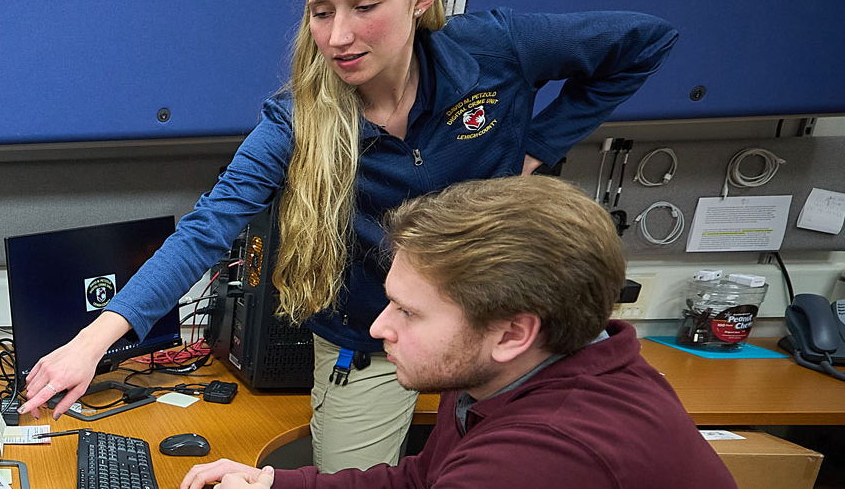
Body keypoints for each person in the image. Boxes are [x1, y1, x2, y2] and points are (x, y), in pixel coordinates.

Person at [19, 0, 678, 471]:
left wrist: (534, 150)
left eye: (365, 6)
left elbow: (645, 43)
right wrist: (89, 345)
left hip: (496, 327)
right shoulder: (297, 120)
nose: (339, 36)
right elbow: (205, 232)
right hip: (373, 338)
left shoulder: (496, 49)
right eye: (321, 11)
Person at [176, 176, 736, 489]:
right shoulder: (497, 375)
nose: (379, 327)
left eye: (408, 312)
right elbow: (423, 478)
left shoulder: (543, 458)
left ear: (513, 332)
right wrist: (273, 485)